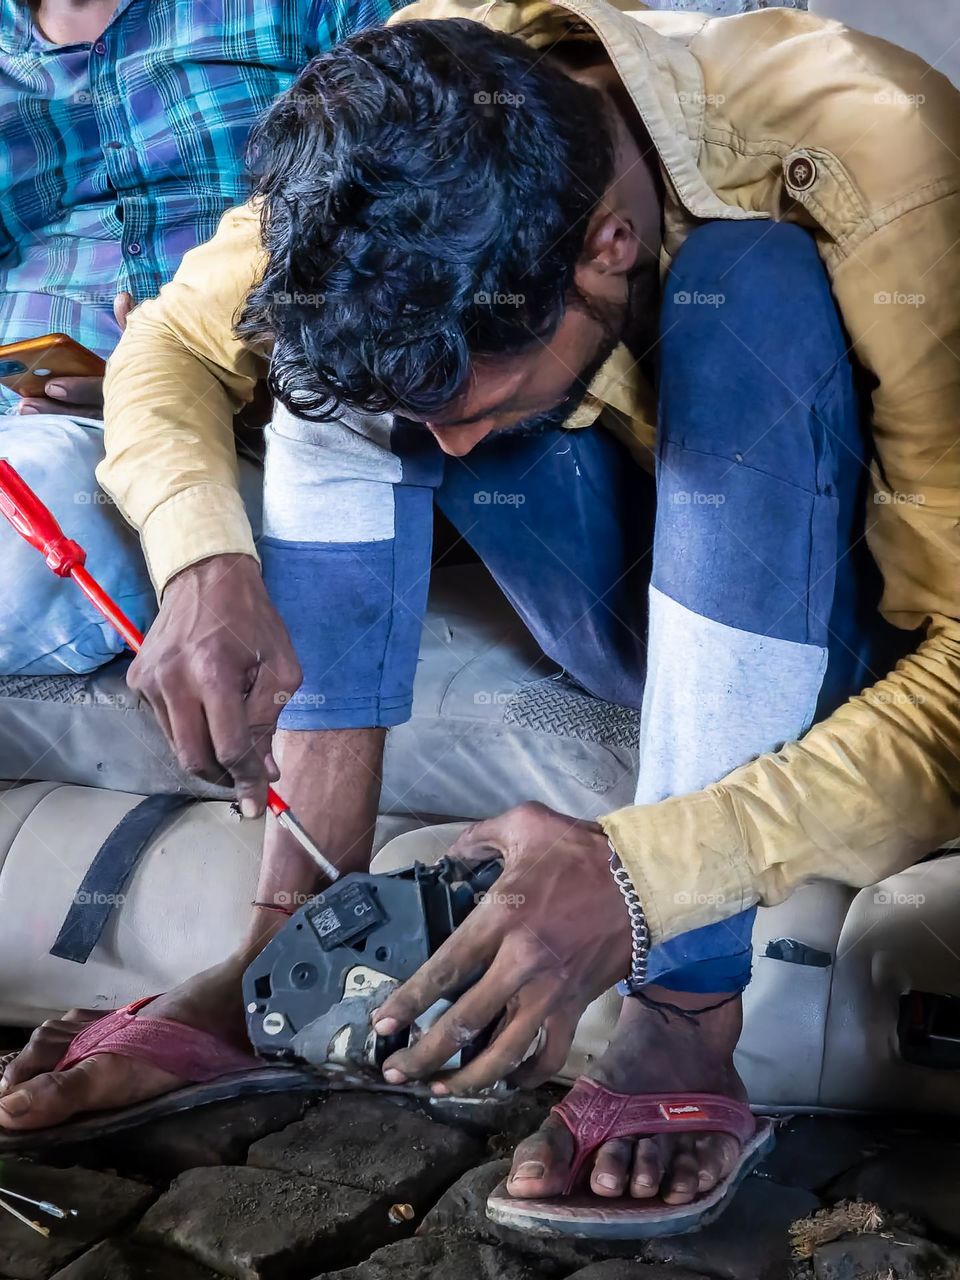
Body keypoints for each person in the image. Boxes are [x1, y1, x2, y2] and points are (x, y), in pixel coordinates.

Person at [3, 0, 959, 1232]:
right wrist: (203, 560)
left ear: (609, 242)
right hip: (623, 597)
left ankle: (686, 1011)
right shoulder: (413, 102)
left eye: (475, 403)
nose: (440, 454)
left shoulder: (885, 155)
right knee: (333, 369)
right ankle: (291, 943)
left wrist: (637, 873)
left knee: (745, 283)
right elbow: (177, 343)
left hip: (837, 629)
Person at [0, 0, 396, 673]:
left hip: (220, 421)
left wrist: (156, 381)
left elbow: (405, 217)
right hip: (19, 410)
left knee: (22, 527)